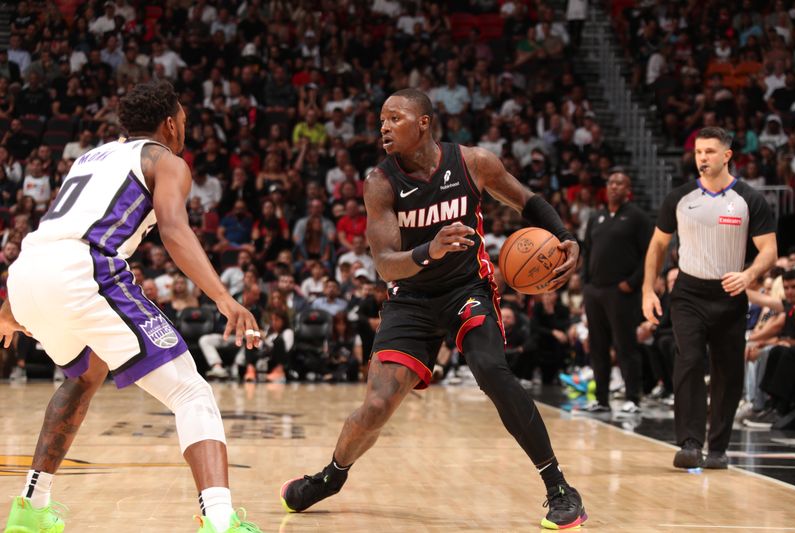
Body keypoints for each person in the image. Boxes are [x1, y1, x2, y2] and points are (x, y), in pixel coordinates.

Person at [279, 88, 587, 530]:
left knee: (492, 372)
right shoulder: (379, 182)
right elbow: (385, 264)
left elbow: (525, 200)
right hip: (411, 298)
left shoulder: (473, 163)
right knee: (378, 405)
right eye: (381, 119)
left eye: (395, 118)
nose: (383, 126)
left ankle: (559, 488)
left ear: (423, 122)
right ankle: (331, 476)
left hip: (467, 288)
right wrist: (430, 250)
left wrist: (562, 234)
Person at [1, 81, 264, 533]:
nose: (184, 128)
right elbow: (174, 230)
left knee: (83, 377)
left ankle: (31, 508)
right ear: (169, 123)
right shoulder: (165, 160)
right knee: (190, 392)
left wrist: (9, 308)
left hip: (26, 272)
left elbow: (57, 230)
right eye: (183, 119)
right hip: (84, 269)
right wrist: (224, 297)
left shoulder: (92, 156)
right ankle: (220, 521)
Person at [642, 126, 777, 470]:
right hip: (688, 292)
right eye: (699, 152)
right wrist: (648, 289)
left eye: (710, 152)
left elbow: (770, 251)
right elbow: (657, 245)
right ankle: (689, 442)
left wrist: (748, 275)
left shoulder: (749, 199)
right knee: (687, 360)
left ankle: (717, 447)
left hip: (730, 292)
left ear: (727, 155)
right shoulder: (680, 197)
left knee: (728, 371)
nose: (702, 158)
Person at [579, 171, 652, 414]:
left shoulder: (637, 217)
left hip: (620, 292)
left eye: (620, 183)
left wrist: (632, 282)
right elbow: (587, 251)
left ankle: (633, 397)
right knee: (597, 347)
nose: (615, 187)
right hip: (595, 291)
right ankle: (601, 399)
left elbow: (650, 255)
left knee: (625, 346)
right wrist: (585, 284)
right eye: (611, 183)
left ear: (628, 189)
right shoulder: (596, 217)